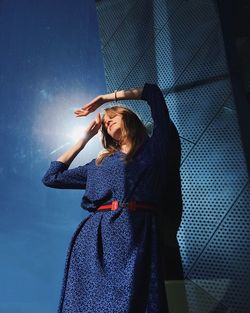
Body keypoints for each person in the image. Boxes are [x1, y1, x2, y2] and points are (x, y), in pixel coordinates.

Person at [42, 83, 184, 313]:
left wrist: (104, 99)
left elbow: (152, 93)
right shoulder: (99, 164)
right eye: (105, 122)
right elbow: (52, 177)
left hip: (140, 232)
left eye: (113, 116)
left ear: (128, 118)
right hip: (97, 239)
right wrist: (85, 138)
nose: (107, 122)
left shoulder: (156, 147)